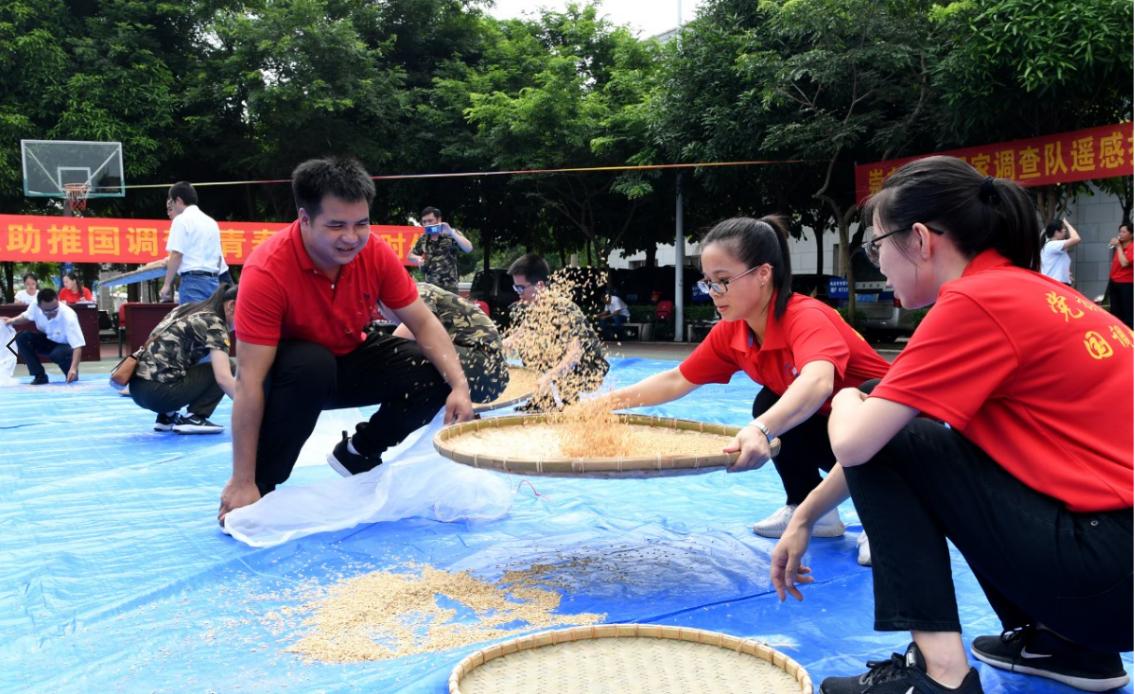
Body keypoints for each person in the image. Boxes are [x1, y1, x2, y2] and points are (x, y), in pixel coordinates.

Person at [771, 157, 1132, 694]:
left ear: (918, 239)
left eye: (876, 247)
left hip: (1104, 572)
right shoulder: (1035, 293)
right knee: (892, 418)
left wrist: (846, 395)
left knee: (873, 414)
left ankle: (940, 675)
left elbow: (859, 442)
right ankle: (1065, 646)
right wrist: (805, 516)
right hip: (1112, 579)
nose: (879, 265)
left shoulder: (975, 301)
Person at [598, 216, 889, 546]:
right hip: (836, 434)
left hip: (892, 437)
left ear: (763, 274)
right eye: (708, 282)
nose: (713, 293)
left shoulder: (806, 316)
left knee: (840, 400)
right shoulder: (733, 329)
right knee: (769, 401)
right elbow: (677, 379)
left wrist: (761, 429)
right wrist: (603, 404)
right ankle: (811, 509)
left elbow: (817, 383)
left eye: (722, 280)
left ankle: (890, 515)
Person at [218, 157, 473, 522]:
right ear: (304, 219)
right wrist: (243, 478)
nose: (351, 238)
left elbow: (423, 322)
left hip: (349, 359)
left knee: (428, 368)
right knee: (312, 364)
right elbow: (249, 383)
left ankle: (358, 451)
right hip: (293, 378)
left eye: (361, 224)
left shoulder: (373, 253)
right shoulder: (267, 271)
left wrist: (459, 385)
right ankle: (260, 485)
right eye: (336, 225)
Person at [505, 254, 609, 411]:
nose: (518, 292)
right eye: (515, 287)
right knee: (529, 344)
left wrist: (549, 376)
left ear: (539, 286)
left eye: (521, 288)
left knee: (555, 351)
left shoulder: (564, 308)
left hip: (588, 366)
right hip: (564, 362)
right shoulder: (531, 307)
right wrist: (494, 347)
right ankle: (541, 401)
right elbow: (519, 336)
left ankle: (570, 404)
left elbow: (575, 354)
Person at [129, 284, 238, 435]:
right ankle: (195, 417)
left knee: (185, 362)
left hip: (136, 389)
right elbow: (223, 378)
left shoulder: (188, 308)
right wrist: (252, 411)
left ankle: (166, 416)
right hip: (160, 394)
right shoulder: (215, 324)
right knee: (228, 366)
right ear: (232, 305)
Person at [379, 282, 509, 407]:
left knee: (413, 352)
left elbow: (398, 344)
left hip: (487, 370)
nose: (384, 317)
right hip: (486, 371)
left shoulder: (418, 292)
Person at [159, 181, 226, 304]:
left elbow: (177, 254)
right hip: (213, 281)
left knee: (193, 321)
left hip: (193, 282)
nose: (172, 207)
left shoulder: (181, 220)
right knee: (211, 321)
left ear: (178, 200)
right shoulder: (211, 222)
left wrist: (167, 284)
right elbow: (219, 258)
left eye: (172, 203)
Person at [0, 288, 85, 384]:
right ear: (39, 306)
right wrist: (11, 321)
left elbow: (78, 346)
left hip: (65, 347)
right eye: (48, 311)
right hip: (46, 340)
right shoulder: (35, 305)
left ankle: (70, 373)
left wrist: (73, 369)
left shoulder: (69, 316)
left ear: (58, 301)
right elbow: (26, 316)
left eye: (55, 309)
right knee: (21, 337)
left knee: (59, 355)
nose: (52, 312)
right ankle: (39, 376)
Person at [407, 206, 473, 293]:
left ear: (439, 220)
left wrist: (451, 232)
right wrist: (417, 259)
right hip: (430, 288)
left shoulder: (451, 234)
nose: (427, 224)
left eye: (430, 221)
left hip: (449, 288)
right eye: (424, 222)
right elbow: (409, 256)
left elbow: (469, 248)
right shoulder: (423, 238)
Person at [1106, 220, 1132, 328]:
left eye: (1124, 232)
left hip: (1126, 284)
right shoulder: (1119, 245)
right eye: (1120, 231)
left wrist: (1118, 247)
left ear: (1131, 234)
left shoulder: (1132, 247)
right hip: (1114, 283)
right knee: (1115, 312)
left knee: (1127, 313)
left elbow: (1124, 263)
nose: (1120, 234)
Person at [1039, 217, 1080, 284]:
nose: (1065, 230)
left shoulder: (1051, 245)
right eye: (1063, 228)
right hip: (1055, 284)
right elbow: (1076, 239)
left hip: (1055, 283)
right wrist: (1067, 225)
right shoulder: (1052, 245)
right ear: (1056, 232)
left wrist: (1066, 276)